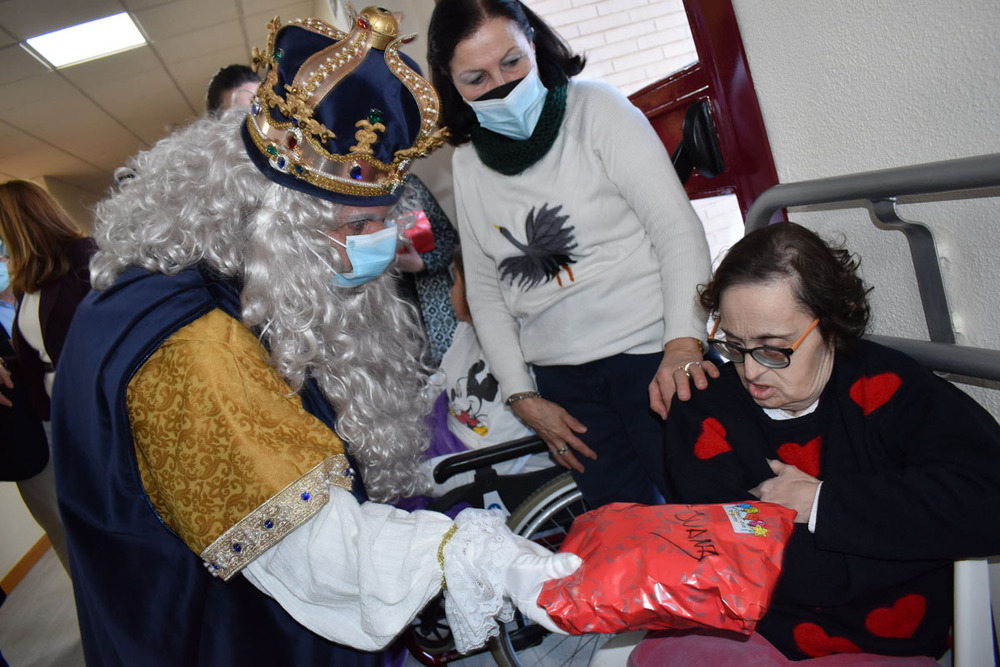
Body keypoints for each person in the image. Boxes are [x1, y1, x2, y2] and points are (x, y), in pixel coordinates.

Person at [50, 8, 579, 666]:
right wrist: (488, 557)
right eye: (352, 226)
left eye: (381, 222)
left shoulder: (224, 274)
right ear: (276, 219)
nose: (376, 250)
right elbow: (312, 546)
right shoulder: (189, 344)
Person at [635, 221, 1000, 663]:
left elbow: (987, 499)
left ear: (831, 322)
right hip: (747, 630)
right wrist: (897, 542)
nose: (751, 371)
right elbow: (726, 564)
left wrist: (823, 503)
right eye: (734, 345)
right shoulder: (703, 410)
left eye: (774, 347)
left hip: (881, 640)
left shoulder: (888, 388)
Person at [426, 0, 718, 508]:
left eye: (512, 62)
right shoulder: (468, 163)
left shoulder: (596, 110)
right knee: (628, 538)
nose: (501, 86)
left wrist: (684, 345)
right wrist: (522, 394)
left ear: (534, 44)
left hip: (654, 359)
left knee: (714, 516)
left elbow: (675, 229)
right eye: (476, 78)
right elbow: (487, 293)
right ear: (451, 84)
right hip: (564, 387)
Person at [0, 180, 96, 574]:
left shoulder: (84, 258)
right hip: (58, 421)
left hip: (95, 414)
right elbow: (40, 354)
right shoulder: (29, 284)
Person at [417, 245, 550, 497]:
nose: (451, 290)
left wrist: (413, 474)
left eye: (456, 281)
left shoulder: (524, 356)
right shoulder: (467, 330)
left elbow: (499, 452)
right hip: (451, 441)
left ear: (478, 292)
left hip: (482, 463)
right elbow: (441, 382)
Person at [394, 173, 459, 368]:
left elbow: (449, 238)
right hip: (393, 317)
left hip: (436, 307)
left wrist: (423, 263)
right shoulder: (346, 198)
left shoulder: (408, 184)